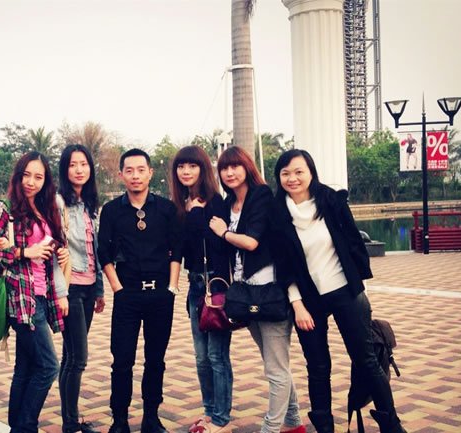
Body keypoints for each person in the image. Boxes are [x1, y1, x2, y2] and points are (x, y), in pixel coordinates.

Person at [272, 149, 407, 433]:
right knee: (318, 367)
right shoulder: (277, 213)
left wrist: (360, 287)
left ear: (311, 172)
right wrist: (297, 304)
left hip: (346, 292)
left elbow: (354, 244)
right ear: (279, 177)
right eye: (285, 173)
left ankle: (391, 425)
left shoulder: (331, 201)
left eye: (299, 171)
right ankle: (325, 428)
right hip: (308, 301)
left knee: (366, 360)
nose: (292, 178)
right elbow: (283, 265)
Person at [208, 147, 306, 433]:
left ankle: (270, 428)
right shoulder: (229, 203)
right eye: (224, 168)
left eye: (235, 166)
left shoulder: (261, 195)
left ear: (247, 167)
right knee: (276, 365)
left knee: (275, 369)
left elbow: (251, 242)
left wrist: (224, 232)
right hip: (246, 293)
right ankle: (294, 422)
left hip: (269, 293)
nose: (229, 173)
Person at [98, 148, 183, 433]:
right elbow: (104, 252)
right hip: (127, 296)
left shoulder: (166, 209)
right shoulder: (112, 211)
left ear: (150, 173)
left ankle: (151, 418)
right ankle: (119, 419)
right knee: (122, 361)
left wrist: (172, 287)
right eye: (129, 170)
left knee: (155, 360)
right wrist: (117, 289)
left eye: (141, 170)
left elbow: (176, 250)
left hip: (160, 295)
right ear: (121, 175)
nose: (135, 175)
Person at [0, 151, 70, 433]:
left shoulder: (45, 209)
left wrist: (57, 252)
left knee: (25, 368)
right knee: (48, 367)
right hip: (22, 298)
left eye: (38, 177)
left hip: (42, 295)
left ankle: (18, 428)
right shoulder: (6, 208)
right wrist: (25, 251)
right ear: (18, 175)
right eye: (26, 175)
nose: (31, 182)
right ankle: (26, 427)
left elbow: (49, 248)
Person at [168, 146, 234, 433]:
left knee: (217, 356)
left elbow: (217, 241)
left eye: (192, 166)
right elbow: (181, 247)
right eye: (181, 166)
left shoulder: (215, 201)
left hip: (214, 284)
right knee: (201, 357)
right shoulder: (181, 204)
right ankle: (209, 412)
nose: (186, 171)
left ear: (203, 168)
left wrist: (195, 214)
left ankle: (221, 418)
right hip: (195, 285)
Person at [56, 144, 105, 433]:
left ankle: (70, 420)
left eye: (84, 164)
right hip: (70, 288)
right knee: (78, 359)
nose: (79, 170)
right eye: (73, 164)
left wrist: (99, 289)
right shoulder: (58, 202)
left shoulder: (89, 205)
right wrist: (60, 292)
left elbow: (93, 250)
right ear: (65, 169)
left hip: (87, 289)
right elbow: (55, 248)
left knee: (70, 356)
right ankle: (71, 423)